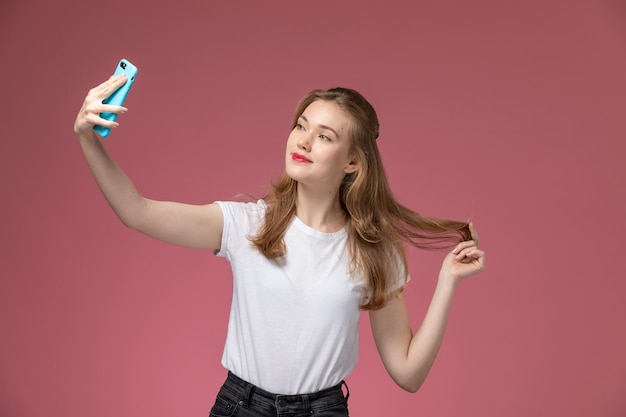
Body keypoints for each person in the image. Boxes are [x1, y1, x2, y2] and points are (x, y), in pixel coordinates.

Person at [74, 74, 486, 417]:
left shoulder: (375, 251)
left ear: (353, 162)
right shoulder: (247, 224)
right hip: (241, 406)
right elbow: (136, 212)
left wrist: (447, 283)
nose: (303, 141)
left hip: (323, 410)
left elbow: (408, 374)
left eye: (325, 136)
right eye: (301, 125)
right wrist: (88, 138)